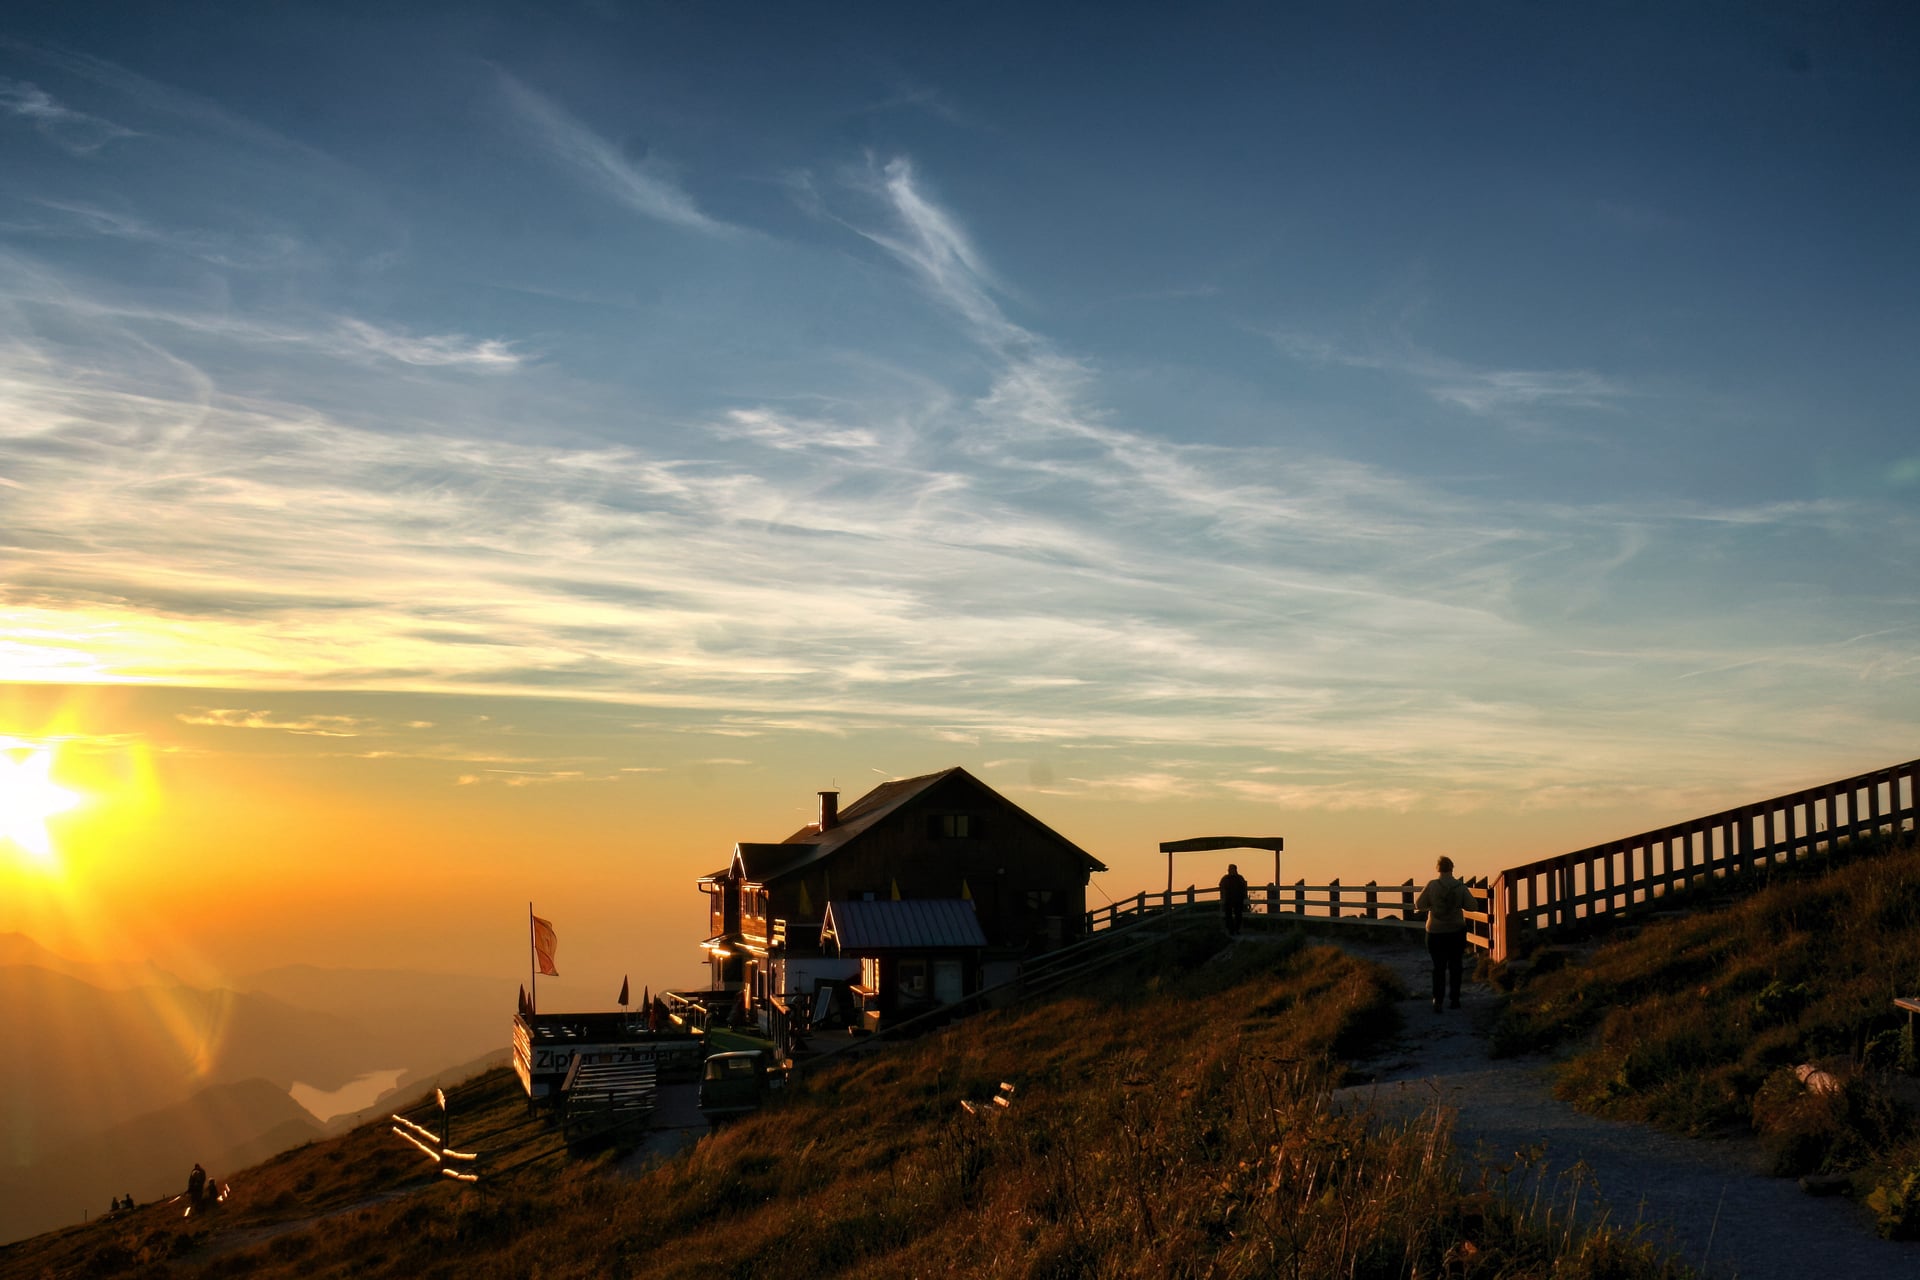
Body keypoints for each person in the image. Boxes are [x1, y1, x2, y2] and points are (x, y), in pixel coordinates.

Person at [1414, 856, 1471, 1012]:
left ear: (1437, 868)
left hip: (1435, 932)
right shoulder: (1460, 886)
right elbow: (1473, 905)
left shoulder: (1432, 885)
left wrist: (1432, 907)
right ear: (1452, 868)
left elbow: (1419, 904)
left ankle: (1437, 1000)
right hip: (1456, 931)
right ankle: (1455, 999)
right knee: (1455, 965)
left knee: (1438, 967)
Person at [1218, 863, 1250, 936]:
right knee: (1228, 915)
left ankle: (1236, 929)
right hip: (1229, 899)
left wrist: (1245, 897)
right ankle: (1231, 930)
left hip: (1238, 899)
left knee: (1238, 915)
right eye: (1229, 869)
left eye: (1231, 869)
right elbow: (1221, 886)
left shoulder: (1239, 878)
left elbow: (1244, 888)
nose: (1230, 871)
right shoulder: (1226, 878)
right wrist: (1223, 896)